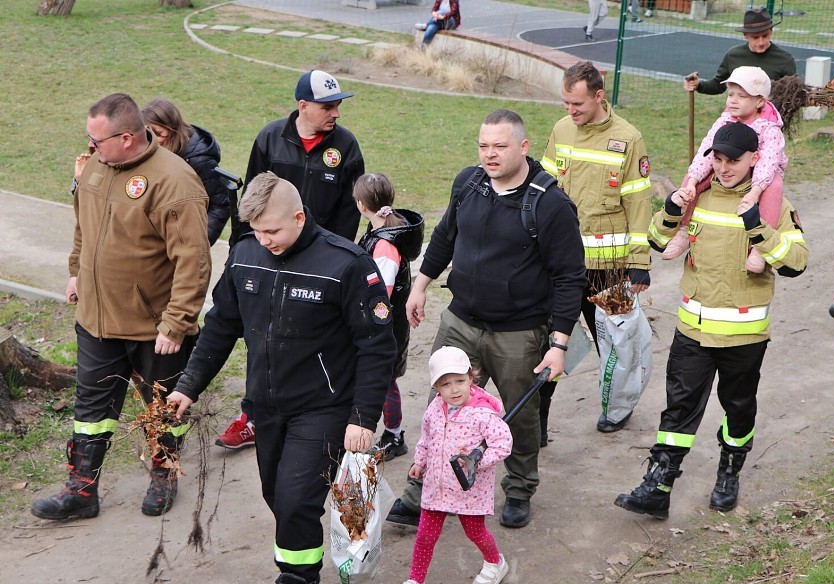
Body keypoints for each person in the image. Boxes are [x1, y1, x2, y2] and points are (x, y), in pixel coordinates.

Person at [167, 172, 396, 584]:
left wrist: (363, 417)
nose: (264, 239)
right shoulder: (244, 255)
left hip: (324, 407)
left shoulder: (345, 264)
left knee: (294, 501)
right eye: (256, 231)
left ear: (299, 216)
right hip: (266, 405)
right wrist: (188, 385)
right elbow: (220, 327)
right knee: (277, 496)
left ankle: (297, 577)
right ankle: (299, 561)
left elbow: (377, 346)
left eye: (272, 230)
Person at [387, 109, 586, 530]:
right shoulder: (469, 182)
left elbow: (570, 278)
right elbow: (445, 235)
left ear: (524, 147)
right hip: (461, 320)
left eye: (500, 146)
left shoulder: (549, 204)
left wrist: (559, 344)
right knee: (441, 409)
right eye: (483, 146)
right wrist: (421, 284)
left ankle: (518, 488)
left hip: (518, 331)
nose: (490, 155)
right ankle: (422, 490)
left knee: (519, 413)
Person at [31, 93, 211, 521]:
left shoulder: (175, 182)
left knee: (162, 409)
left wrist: (177, 322)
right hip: (96, 318)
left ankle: (164, 475)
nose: (89, 149)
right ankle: (81, 490)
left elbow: (194, 259)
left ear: (127, 138)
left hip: (154, 328)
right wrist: (76, 270)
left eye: (98, 141)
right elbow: (84, 224)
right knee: (91, 411)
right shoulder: (97, 165)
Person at [614, 122, 808, 520]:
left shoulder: (774, 204)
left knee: (738, 410)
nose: (723, 167)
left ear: (755, 159)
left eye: (732, 160)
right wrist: (670, 207)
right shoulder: (698, 196)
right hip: (693, 332)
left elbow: (796, 261)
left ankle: (730, 471)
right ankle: (659, 485)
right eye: (717, 159)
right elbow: (658, 240)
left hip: (743, 336)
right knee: (677, 410)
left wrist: (757, 224)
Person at [218, 69, 365, 450]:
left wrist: (333, 263)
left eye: (338, 105)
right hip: (268, 257)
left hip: (318, 264)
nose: (336, 113)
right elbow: (251, 199)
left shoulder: (346, 147)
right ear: (303, 106)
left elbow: (349, 215)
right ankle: (252, 414)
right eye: (328, 106)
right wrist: (244, 250)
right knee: (260, 337)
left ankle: (317, 411)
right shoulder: (270, 138)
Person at [541, 60, 653, 433]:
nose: (570, 112)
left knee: (619, 342)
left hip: (612, 265)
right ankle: (537, 419)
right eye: (566, 104)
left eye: (578, 104)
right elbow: (544, 187)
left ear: (599, 96)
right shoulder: (561, 130)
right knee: (549, 338)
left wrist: (640, 262)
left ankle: (618, 408)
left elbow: (639, 203)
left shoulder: (629, 138)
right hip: (562, 262)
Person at [403, 346, 513, 584]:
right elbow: (427, 436)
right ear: (436, 388)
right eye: (446, 384)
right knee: (425, 536)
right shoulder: (434, 409)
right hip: (436, 485)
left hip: (468, 490)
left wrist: (476, 461)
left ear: (471, 378)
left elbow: (503, 443)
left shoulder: (482, 414)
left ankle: (495, 562)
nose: (454, 389)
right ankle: (415, 579)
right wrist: (419, 461)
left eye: (460, 381)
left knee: (475, 532)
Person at [663, 66, 787, 273]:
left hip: (763, 172)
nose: (733, 100)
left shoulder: (769, 127)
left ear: (759, 101)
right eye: (730, 94)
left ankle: (759, 246)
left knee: (774, 187)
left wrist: (756, 191)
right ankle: (684, 230)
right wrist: (693, 180)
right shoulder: (725, 120)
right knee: (691, 178)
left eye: (742, 96)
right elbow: (706, 149)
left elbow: (768, 161)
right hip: (728, 162)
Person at [352, 172, 425, 462]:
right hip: (384, 326)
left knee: (384, 382)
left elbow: (381, 292)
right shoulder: (379, 232)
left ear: (360, 204)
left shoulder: (384, 245)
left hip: (385, 329)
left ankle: (394, 435)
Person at [142, 98, 232, 246]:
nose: (154, 140)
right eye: (147, 133)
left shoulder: (199, 160)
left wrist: (198, 244)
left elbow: (221, 204)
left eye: (158, 133)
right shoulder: (150, 150)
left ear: (173, 129)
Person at [684, 8, 796, 95]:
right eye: (755, 38)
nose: (761, 42)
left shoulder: (785, 60)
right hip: (739, 118)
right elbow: (718, 85)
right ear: (746, 35)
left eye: (765, 36)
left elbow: (792, 94)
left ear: (771, 31)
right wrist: (698, 85)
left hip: (770, 120)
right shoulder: (733, 56)